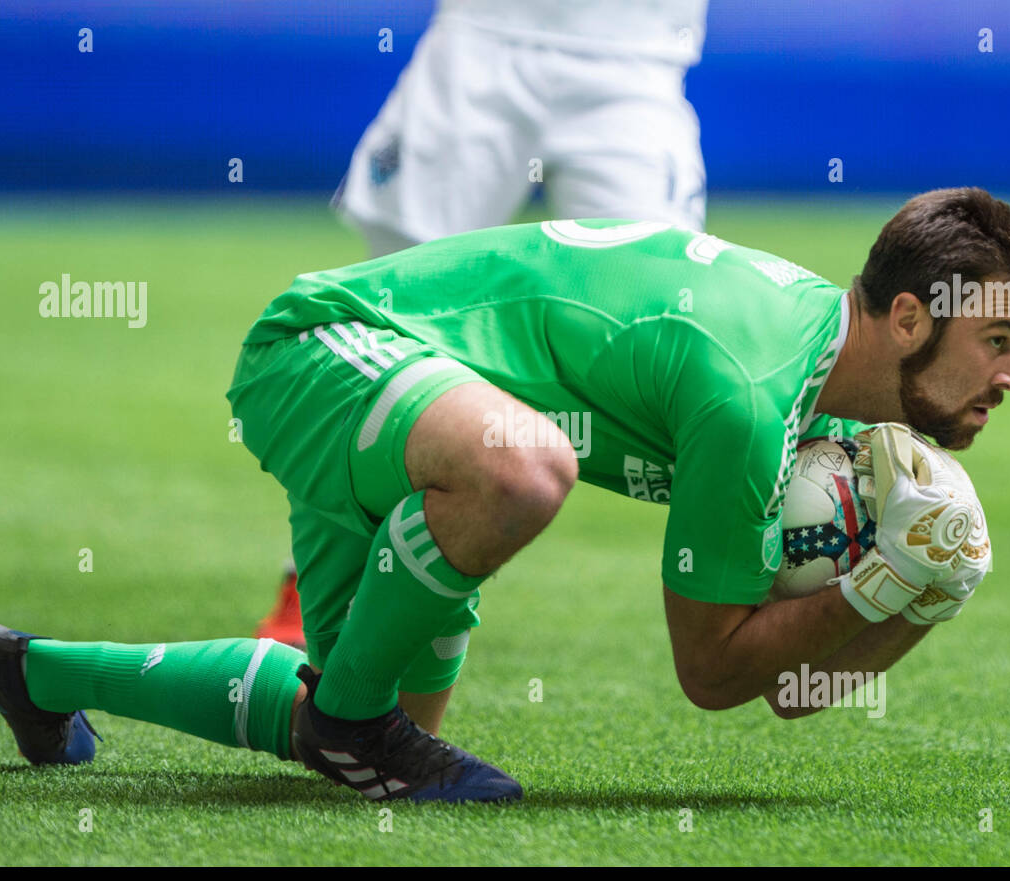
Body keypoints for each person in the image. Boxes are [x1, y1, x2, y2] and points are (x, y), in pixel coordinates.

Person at [0, 187, 1010, 804]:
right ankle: (350, 719)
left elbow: (788, 684)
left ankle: (30, 670)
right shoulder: (747, 400)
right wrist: (880, 591)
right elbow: (714, 668)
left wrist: (914, 595)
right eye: (999, 340)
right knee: (524, 468)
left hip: (403, 407)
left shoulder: (821, 395)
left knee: (354, 717)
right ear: (910, 319)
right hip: (328, 347)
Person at [255, 0, 710, 644]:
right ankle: (314, 581)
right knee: (389, 321)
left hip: (638, 52)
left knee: (672, 320)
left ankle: (748, 564)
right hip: (480, 39)